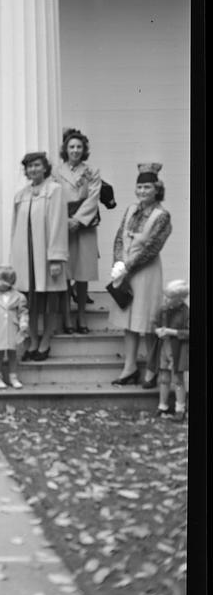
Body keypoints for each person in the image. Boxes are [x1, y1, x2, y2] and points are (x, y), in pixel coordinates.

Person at [109, 163, 172, 386]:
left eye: (147, 187)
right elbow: (119, 238)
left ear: (157, 189)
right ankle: (130, 367)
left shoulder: (161, 216)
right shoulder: (130, 210)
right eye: (140, 187)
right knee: (128, 321)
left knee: (146, 321)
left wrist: (129, 266)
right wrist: (118, 263)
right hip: (125, 272)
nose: (143, 191)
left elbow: (152, 247)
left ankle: (152, 370)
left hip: (145, 272)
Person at [10, 151, 68, 361]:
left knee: (49, 301)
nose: (33, 169)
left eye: (37, 165)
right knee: (30, 302)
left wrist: (56, 258)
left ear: (45, 168)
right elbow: (15, 230)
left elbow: (58, 225)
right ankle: (33, 340)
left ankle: (45, 342)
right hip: (26, 258)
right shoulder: (21, 194)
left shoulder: (54, 190)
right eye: (29, 166)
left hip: (45, 256)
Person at [52, 129, 102, 334]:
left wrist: (79, 220)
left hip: (84, 226)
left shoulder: (92, 171)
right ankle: (66, 316)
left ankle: (81, 315)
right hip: (63, 223)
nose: (75, 150)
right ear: (65, 149)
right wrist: (65, 220)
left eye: (79, 147)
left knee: (82, 272)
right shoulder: (56, 171)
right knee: (65, 273)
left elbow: (93, 196)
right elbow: (54, 196)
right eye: (71, 147)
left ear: (84, 150)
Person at [149, 279, 189, 421]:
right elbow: (153, 323)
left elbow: (188, 332)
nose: (166, 300)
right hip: (163, 349)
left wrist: (173, 332)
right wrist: (157, 330)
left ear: (180, 300)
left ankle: (180, 408)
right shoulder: (163, 309)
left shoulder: (185, 312)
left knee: (178, 379)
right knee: (164, 378)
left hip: (177, 351)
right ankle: (163, 406)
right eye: (166, 296)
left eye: (170, 298)